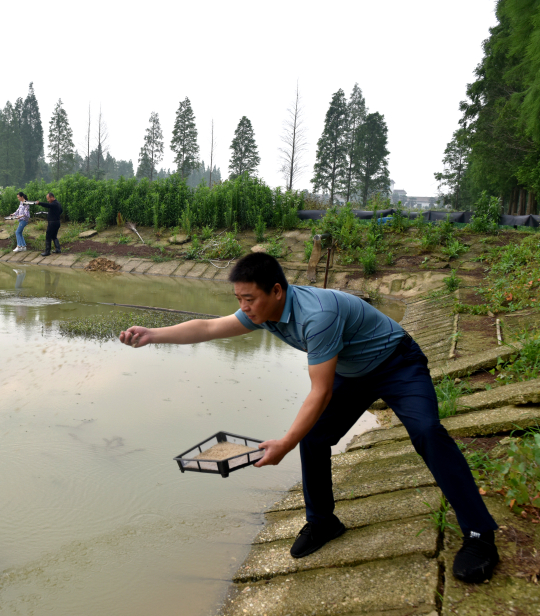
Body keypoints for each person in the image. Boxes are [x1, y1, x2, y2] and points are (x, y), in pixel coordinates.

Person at [118, 253, 499, 584]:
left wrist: (286, 443)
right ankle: (323, 523)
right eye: (239, 299)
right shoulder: (264, 311)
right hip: (354, 372)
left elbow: (321, 391)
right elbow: (210, 327)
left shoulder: (318, 315)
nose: (244, 307)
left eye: (249, 299)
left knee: (427, 431)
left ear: (276, 291)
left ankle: (479, 534)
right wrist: (153, 334)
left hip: (397, 363)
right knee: (315, 437)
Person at [35, 192, 62, 256]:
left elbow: (47, 205)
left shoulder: (54, 204)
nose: (48, 200)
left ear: (52, 197)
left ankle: (47, 251)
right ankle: (58, 249)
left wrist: (39, 203)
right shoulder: (58, 203)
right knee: (54, 236)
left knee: (48, 236)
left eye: (48, 199)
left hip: (52, 223)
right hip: (57, 222)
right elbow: (61, 211)